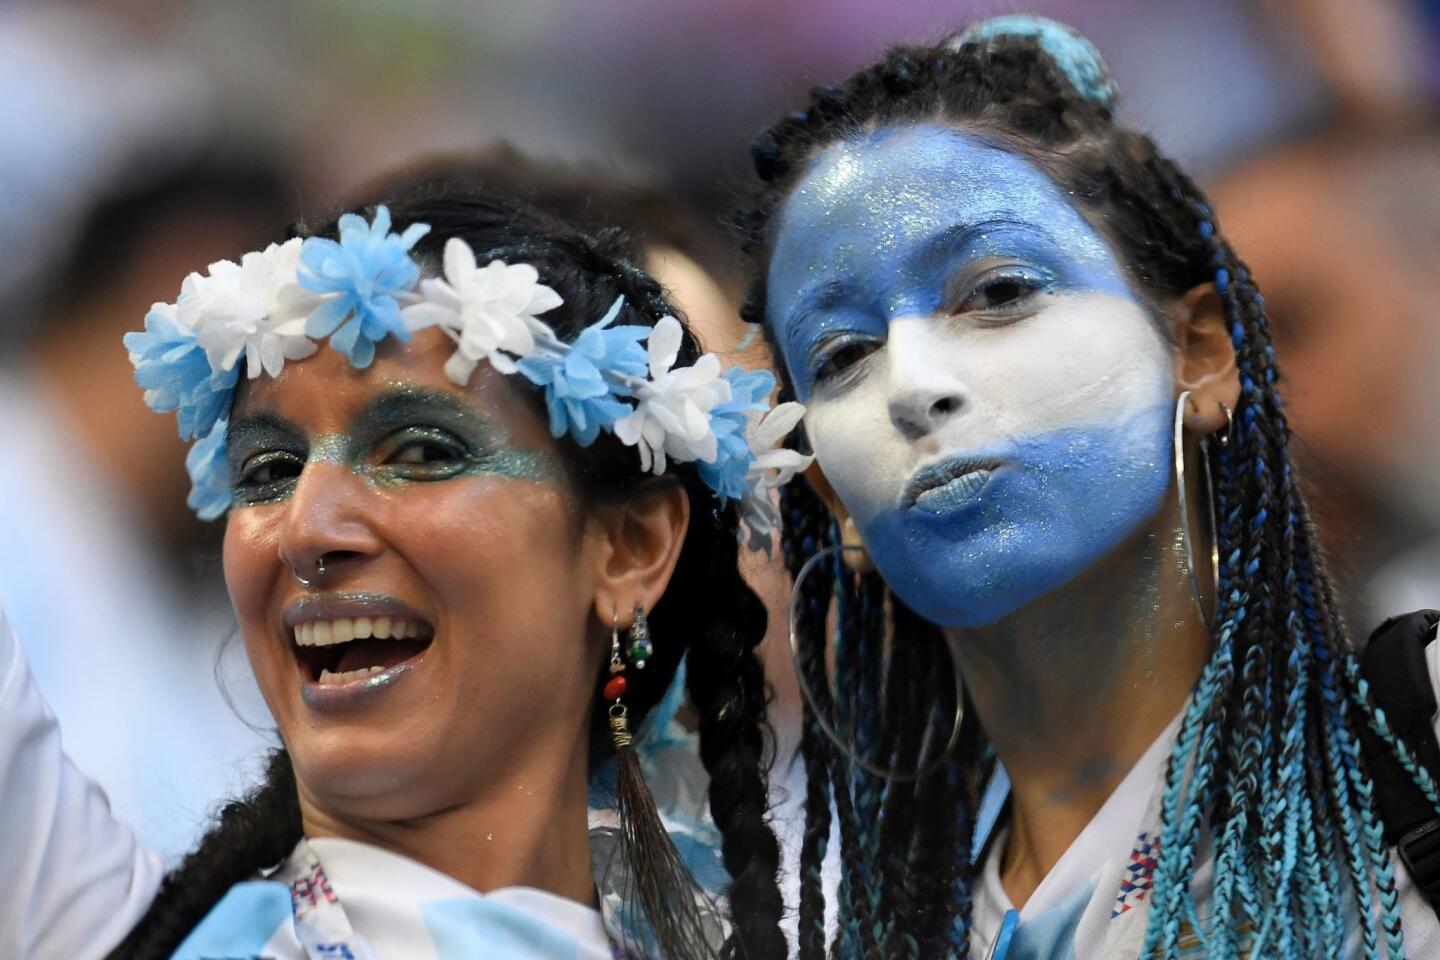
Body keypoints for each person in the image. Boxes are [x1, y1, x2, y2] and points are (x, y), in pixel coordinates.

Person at [737, 15, 1440, 960]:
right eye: (844, 353)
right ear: (826, 491)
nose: (911, 386)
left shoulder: (1422, 742)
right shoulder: (835, 928)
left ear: (1200, 351)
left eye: (998, 292)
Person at [7, 186, 804, 959]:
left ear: (631, 547)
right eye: (269, 470)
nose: (306, 530)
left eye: (420, 452)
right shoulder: (94, 928)